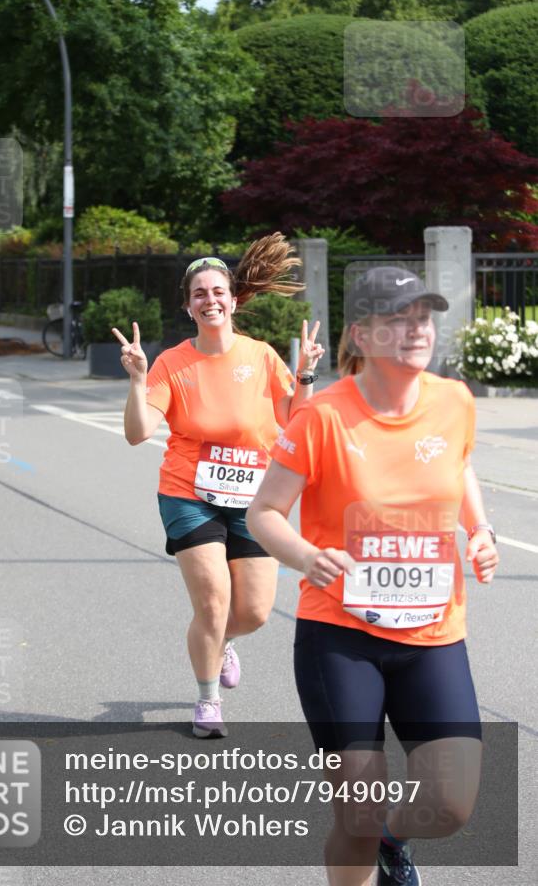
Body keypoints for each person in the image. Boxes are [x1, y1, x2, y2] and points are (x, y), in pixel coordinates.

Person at [247, 267, 499, 886]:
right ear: (361, 334)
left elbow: (459, 465)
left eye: (423, 316)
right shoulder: (323, 416)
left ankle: (395, 839)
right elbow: (263, 513)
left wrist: (482, 529)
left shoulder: (454, 401)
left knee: (452, 804)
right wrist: (306, 556)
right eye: (397, 318)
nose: (416, 329)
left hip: (432, 635)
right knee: (356, 809)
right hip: (341, 634)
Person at [112, 234, 324, 738]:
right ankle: (208, 700)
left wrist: (308, 377)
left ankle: (221, 640)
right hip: (189, 492)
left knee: (251, 612)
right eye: (199, 294)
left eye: (217, 291)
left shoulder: (262, 356)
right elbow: (138, 433)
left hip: (255, 497)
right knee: (211, 602)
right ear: (188, 307)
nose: (210, 300)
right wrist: (138, 380)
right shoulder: (172, 363)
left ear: (233, 300)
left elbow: (297, 423)